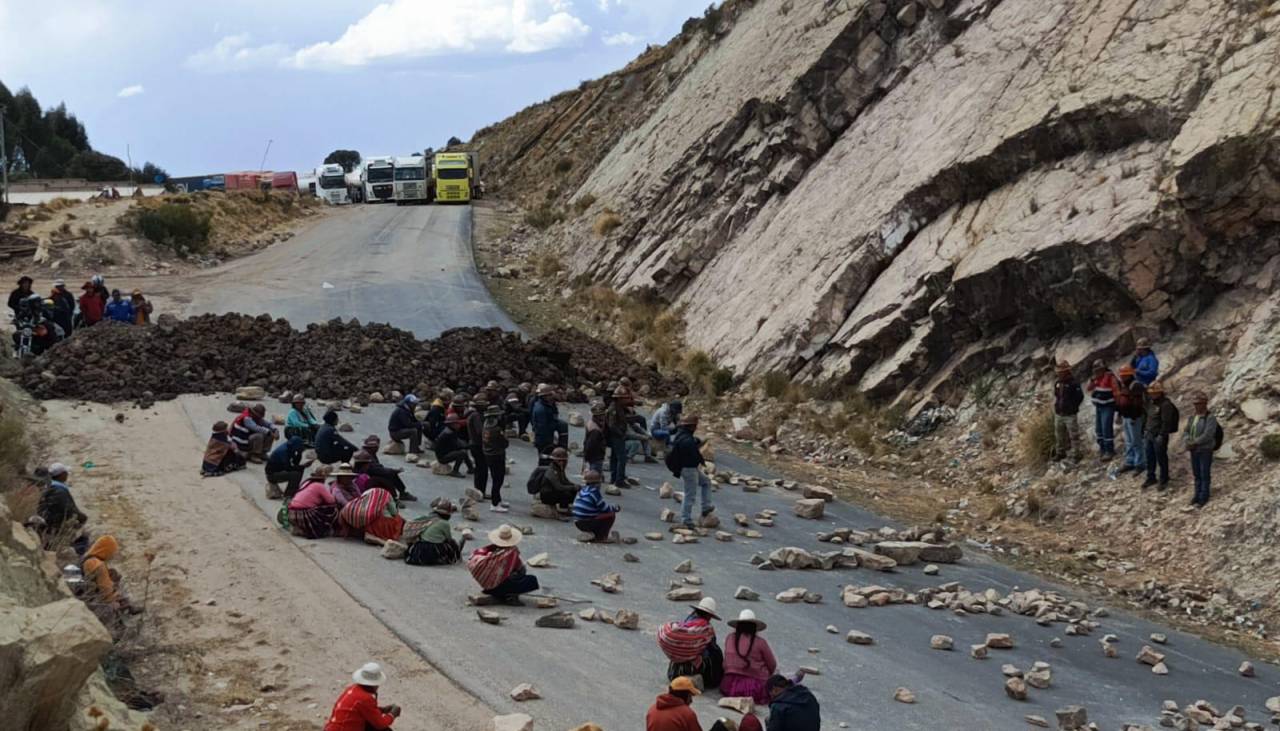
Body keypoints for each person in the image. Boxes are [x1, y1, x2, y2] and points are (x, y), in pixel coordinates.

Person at [659, 597, 724, 689]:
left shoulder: (685, 623)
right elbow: (712, 647)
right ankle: (710, 678)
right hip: (691, 667)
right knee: (716, 653)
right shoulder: (707, 628)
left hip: (675, 669)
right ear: (709, 615)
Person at [467, 524, 538, 605]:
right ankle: (511, 596)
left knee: (509, 573)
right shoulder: (511, 552)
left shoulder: (490, 549)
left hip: (487, 587)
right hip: (498, 586)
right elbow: (520, 568)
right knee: (531, 579)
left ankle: (501, 591)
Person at [720, 610, 777, 705]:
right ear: (754, 627)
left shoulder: (729, 637)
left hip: (729, 684)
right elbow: (772, 665)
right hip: (754, 688)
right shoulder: (760, 642)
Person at [324, 662, 401, 731]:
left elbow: (363, 711)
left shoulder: (353, 689)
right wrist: (392, 714)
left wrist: (381, 710)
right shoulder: (365, 698)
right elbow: (380, 724)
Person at [671, 415, 714, 530]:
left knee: (706, 482)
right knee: (690, 494)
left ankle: (706, 507)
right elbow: (693, 453)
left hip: (689, 468)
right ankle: (686, 519)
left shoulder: (682, 435)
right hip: (689, 469)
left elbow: (694, 442)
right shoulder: (687, 441)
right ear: (692, 427)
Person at [36, 462, 89, 554]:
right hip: (55, 528)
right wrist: (82, 518)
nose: (67, 475)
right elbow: (70, 510)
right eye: (66, 473)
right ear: (62, 475)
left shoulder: (50, 487)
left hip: (48, 525)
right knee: (84, 535)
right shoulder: (59, 491)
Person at [404, 498, 468, 566]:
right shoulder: (444, 523)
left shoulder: (429, 519)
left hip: (420, 548)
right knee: (451, 545)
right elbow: (449, 539)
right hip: (433, 549)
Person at [1183, 392, 1219, 507]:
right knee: (1197, 473)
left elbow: (1208, 434)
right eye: (1195, 404)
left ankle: (1204, 496)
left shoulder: (1210, 418)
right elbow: (1186, 430)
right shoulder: (1193, 417)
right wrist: (1187, 440)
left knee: (1204, 473)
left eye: (1199, 404)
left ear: (1204, 404)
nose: (1197, 406)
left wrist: (1194, 442)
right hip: (1194, 450)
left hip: (1205, 449)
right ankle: (1197, 494)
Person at [1142, 381, 1180, 489]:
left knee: (1161, 457)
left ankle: (1164, 479)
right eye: (1151, 393)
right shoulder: (1151, 403)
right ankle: (1151, 477)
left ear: (1160, 393)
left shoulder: (1165, 405)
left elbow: (1166, 422)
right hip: (1149, 434)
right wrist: (1144, 429)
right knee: (1150, 457)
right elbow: (1147, 416)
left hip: (1158, 435)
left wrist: (1162, 435)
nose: (1152, 395)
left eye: (1154, 393)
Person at [82, 534, 132, 612]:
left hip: (85, 596)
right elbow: (105, 588)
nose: (112, 555)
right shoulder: (98, 565)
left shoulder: (87, 558)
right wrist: (115, 599)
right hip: (93, 601)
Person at [359, 436, 417, 502]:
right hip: (366, 477)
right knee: (388, 476)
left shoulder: (370, 453)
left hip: (372, 473)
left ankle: (402, 493)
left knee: (391, 473)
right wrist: (391, 471)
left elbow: (377, 467)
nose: (377, 448)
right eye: (376, 447)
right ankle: (394, 497)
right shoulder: (366, 455)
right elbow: (375, 470)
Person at [288, 466, 340, 539]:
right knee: (332, 509)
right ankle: (323, 529)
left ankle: (299, 528)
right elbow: (331, 501)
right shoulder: (319, 486)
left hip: (291, 513)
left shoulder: (306, 483)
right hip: (304, 514)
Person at [338, 485, 404, 542]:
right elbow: (394, 512)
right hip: (379, 525)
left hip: (365, 523)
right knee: (399, 519)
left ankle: (366, 533)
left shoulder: (367, 492)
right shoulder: (387, 494)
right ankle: (375, 535)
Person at [1115, 364, 1147, 474]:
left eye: (1124, 376)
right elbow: (1121, 401)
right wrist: (1120, 414)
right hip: (1126, 416)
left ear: (1129, 375)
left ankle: (1140, 463)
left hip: (1135, 417)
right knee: (1128, 441)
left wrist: (1134, 416)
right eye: (1121, 376)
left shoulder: (1136, 386)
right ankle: (1130, 461)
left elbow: (1137, 404)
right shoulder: (1124, 385)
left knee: (1136, 441)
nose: (1122, 377)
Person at [573, 470, 620, 542]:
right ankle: (602, 537)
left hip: (577, 522)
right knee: (611, 515)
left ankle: (591, 533)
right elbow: (605, 508)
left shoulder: (583, 490)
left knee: (598, 513)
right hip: (586, 522)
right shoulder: (594, 492)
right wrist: (615, 508)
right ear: (597, 483)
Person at [1085, 359, 1119, 460]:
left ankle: (1110, 451)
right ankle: (1102, 449)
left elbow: (1117, 393)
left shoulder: (1110, 377)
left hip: (1108, 406)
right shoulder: (1096, 379)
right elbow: (1088, 388)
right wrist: (1092, 380)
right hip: (1099, 406)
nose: (1097, 372)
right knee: (1098, 429)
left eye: (1098, 370)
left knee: (1106, 428)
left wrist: (1119, 409)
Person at [1052, 361, 1084, 462]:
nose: (1059, 374)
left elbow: (1080, 396)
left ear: (1066, 372)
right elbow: (1057, 396)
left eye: (1061, 372)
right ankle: (1060, 452)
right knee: (1059, 434)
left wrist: (1072, 407)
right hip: (1059, 413)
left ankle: (1076, 454)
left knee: (1073, 435)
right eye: (1058, 372)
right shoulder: (1057, 383)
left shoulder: (1073, 383)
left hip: (1070, 414)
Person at [481, 404, 510, 512]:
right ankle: (494, 503)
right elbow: (505, 443)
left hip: (488, 453)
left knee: (495, 478)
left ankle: (498, 499)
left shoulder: (485, 425)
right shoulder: (497, 429)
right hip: (497, 455)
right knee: (498, 479)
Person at [265, 436, 311, 500]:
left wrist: (299, 453)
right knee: (295, 474)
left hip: (278, 470)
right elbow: (288, 468)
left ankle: (293, 490)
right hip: (272, 474)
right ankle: (289, 495)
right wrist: (303, 466)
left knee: (299, 471)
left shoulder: (289, 448)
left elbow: (295, 463)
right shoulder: (283, 451)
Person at [530, 384, 568, 462]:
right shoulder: (541, 409)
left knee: (563, 425)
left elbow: (554, 413)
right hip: (543, 438)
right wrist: (553, 437)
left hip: (546, 434)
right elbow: (543, 427)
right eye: (550, 395)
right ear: (545, 396)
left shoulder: (548, 404)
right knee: (544, 458)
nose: (552, 396)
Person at [606, 386, 633, 488]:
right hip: (616, 436)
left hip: (617, 435)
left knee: (614, 458)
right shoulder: (614, 409)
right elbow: (612, 425)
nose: (626, 400)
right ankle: (619, 480)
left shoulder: (619, 407)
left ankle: (614, 478)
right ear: (619, 398)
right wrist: (621, 434)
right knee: (621, 458)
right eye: (624, 398)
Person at [536, 447, 578, 512]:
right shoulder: (551, 471)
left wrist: (575, 486)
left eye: (564, 460)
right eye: (560, 460)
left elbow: (565, 481)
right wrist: (572, 487)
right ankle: (562, 510)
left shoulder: (559, 469)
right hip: (547, 495)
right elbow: (559, 487)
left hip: (553, 491)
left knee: (572, 491)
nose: (562, 462)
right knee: (567, 494)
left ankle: (564, 507)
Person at [466, 395, 491, 496]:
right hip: (478, 445)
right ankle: (480, 490)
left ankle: (479, 490)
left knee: (480, 468)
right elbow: (480, 431)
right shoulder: (476, 416)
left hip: (475, 444)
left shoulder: (475, 415)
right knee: (482, 469)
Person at [583, 400, 608, 474]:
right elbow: (590, 446)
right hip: (595, 457)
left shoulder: (592, 423)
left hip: (594, 457)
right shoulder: (595, 430)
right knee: (595, 475)